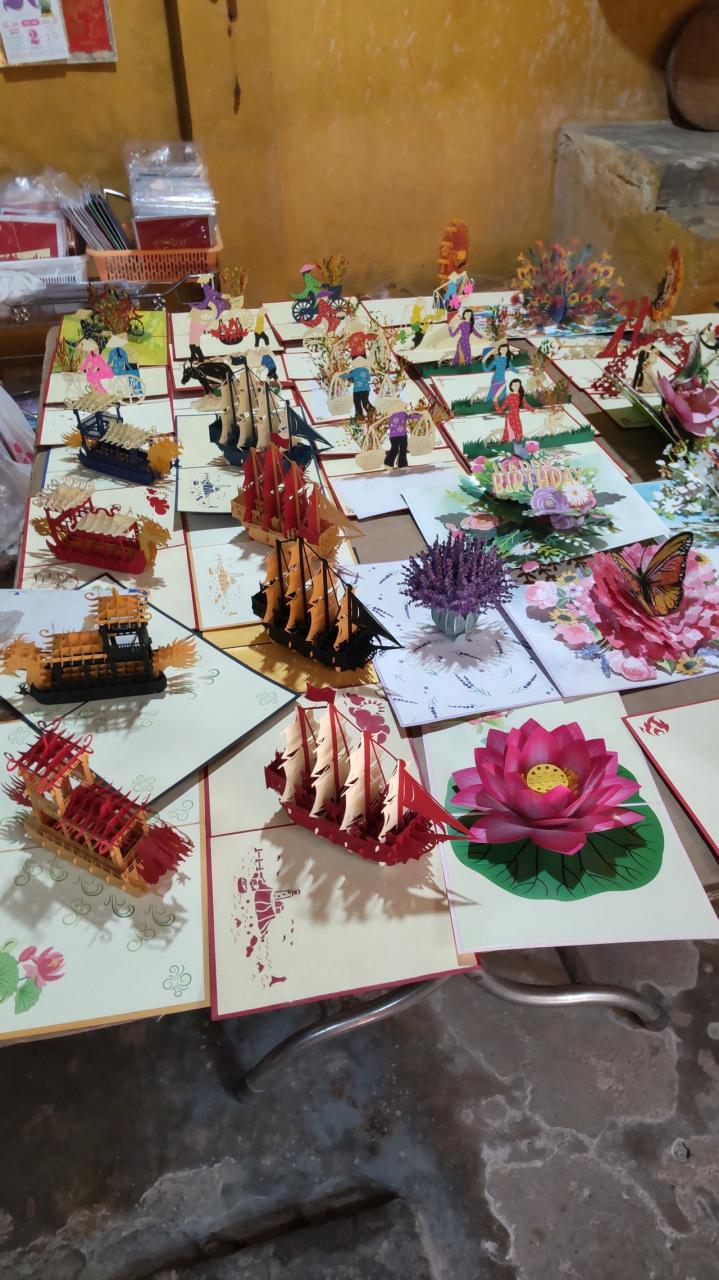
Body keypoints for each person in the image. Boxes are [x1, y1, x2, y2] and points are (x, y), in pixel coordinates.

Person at [494, 377, 535, 443]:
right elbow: (500, 410)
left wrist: (534, 410)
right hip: (511, 417)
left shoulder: (520, 397)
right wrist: (495, 401)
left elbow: (526, 406)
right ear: (511, 387)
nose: (516, 386)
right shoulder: (509, 397)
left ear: (520, 386)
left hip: (516, 418)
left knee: (518, 434)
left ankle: (515, 445)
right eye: (514, 385)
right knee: (514, 434)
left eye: (517, 385)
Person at [483, 340, 515, 405]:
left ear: (507, 350)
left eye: (505, 349)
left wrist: (519, 372)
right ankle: (489, 404)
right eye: (502, 349)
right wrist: (483, 363)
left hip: (502, 379)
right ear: (499, 350)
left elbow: (512, 368)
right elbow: (487, 370)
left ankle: (498, 405)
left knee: (502, 396)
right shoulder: (497, 359)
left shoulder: (507, 359)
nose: (504, 350)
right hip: (495, 379)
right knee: (493, 393)